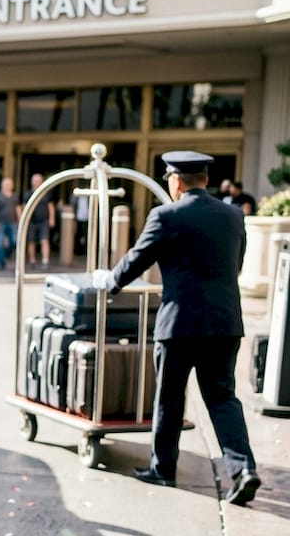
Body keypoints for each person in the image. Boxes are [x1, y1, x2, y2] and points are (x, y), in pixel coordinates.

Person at [92, 151, 259, 505]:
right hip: (224, 323)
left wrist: (109, 281)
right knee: (223, 398)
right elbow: (237, 264)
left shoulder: (165, 215)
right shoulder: (233, 215)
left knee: (169, 395)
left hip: (179, 324)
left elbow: (137, 258)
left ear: (176, 181)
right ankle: (243, 469)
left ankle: (162, 468)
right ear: (205, 180)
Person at [23, 172, 56, 269]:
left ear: (42, 182)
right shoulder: (28, 194)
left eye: (38, 181)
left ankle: (45, 261)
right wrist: (24, 221)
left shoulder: (46, 193)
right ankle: (32, 260)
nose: (36, 182)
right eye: (34, 181)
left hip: (44, 221)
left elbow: (51, 207)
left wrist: (52, 218)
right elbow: (24, 208)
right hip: (31, 222)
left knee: (44, 240)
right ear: (31, 182)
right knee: (31, 241)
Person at [0, 176, 21, 270]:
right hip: (1, 223)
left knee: (15, 242)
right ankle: (1, 263)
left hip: (13, 223)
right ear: (2, 185)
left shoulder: (15, 196)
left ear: (12, 186)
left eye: (9, 184)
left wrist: (21, 222)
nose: (7, 186)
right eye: (5, 184)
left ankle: (6, 255)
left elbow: (18, 210)